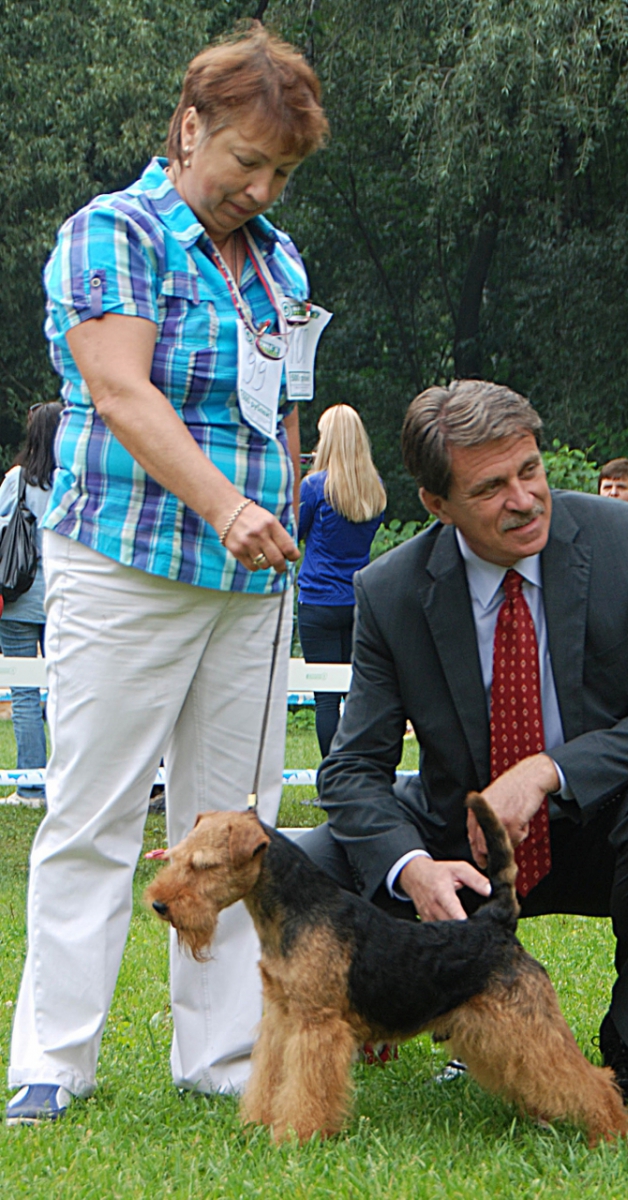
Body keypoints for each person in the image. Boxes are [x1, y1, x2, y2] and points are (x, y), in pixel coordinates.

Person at [7, 26, 329, 1125]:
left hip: (251, 584)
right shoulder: (115, 231)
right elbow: (120, 390)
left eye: (281, 171)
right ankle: (52, 1061)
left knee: (240, 822)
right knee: (93, 815)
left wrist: (279, 502)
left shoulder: (278, 258)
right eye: (247, 159)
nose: (261, 185)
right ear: (190, 126)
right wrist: (226, 505)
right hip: (129, 564)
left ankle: (226, 1054)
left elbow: (279, 411)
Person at [298, 379, 628, 1108]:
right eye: (490, 487)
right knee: (314, 861)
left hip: (606, 825)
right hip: (458, 849)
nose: (524, 499)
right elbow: (351, 770)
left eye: (529, 470)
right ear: (436, 506)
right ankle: (417, 1018)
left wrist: (545, 770)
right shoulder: (389, 590)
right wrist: (409, 870)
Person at [297, 405, 386, 757]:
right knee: (356, 693)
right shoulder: (374, 488)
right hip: (358, 600)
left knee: (325, 700)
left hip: (317, 600)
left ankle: (329, 780)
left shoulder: (314, 487)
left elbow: (297, 532)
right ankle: (358, 771)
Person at [0, 402, 62, 809]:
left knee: (24, 692)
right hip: (64, 599)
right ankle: (67, 785)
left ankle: (30, 787)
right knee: (67, 692)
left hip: (19, 599)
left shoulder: (16, 480)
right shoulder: (74, 480)